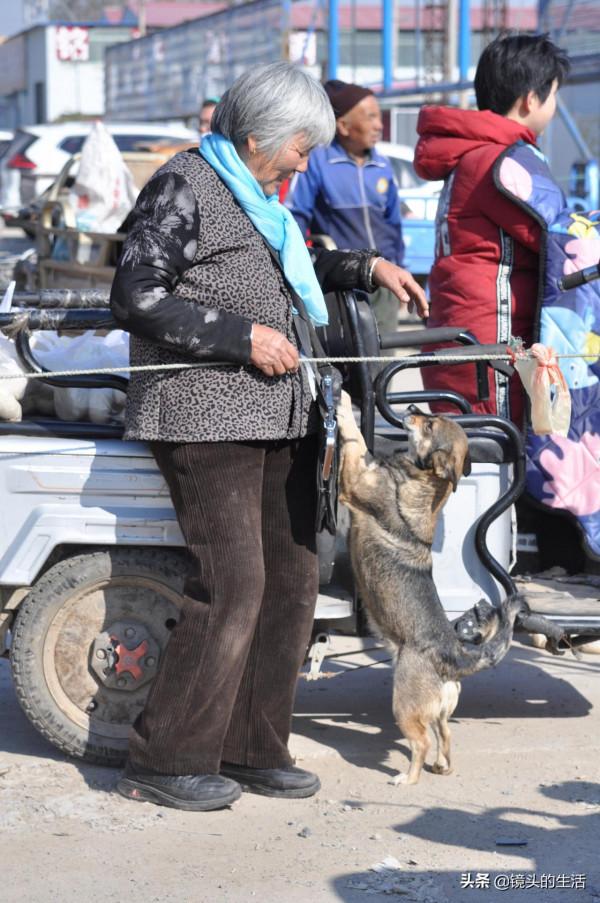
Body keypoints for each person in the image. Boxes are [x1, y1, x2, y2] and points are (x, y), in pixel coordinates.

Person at [110, 61, 427, 812]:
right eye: (299, 147)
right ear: (258, 138)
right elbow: (135, 293)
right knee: (234, 581)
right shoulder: (184, 184)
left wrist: (366, 265)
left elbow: (285, 268)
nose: (304, 162)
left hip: (278, 411)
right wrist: (240, 337)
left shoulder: (257, 195)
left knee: (292, 579)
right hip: (205, 413)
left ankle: (253, 746)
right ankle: (167, 755)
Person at [413, 33, 570, 426]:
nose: (553, 106)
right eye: (552, 95)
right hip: (494, 356)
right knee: (515, 466)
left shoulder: (470, 155)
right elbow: (561, 241)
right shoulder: (505, 161)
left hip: (461, 343)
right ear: (530, 100)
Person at [285, 79, 406, 336]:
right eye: (371, 117)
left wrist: (397, 263)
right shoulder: (317, 162)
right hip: (343, 283)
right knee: (351, 363)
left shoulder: (382, 166)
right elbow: (296, 217)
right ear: (343, 126)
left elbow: (393, 223)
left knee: (384, 364)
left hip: (384, 279)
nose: (379, 125)